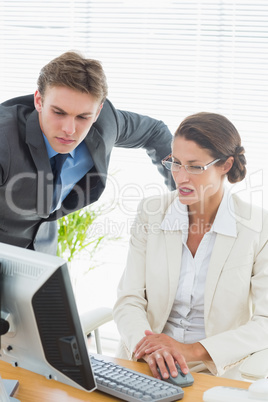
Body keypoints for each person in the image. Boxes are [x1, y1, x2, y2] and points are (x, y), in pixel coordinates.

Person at [113, 112, 268, 380]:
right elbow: (129, 299)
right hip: (147, 359)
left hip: (217, 367)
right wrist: (151, 349)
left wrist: (190, 350)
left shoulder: (258, 226)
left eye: (194, 167)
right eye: (175, 162)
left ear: (225, 165)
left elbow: (265, 322)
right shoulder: (151, 212)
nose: (180, 177)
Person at [0, 51, 174, 254]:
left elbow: (155, 132)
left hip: (42, 254)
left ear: (98, 112)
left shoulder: (106, 124)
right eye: (58, 112)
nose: (69, 129)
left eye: (83, 117)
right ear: (39, 101)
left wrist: (184, 198)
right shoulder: (4, 139)